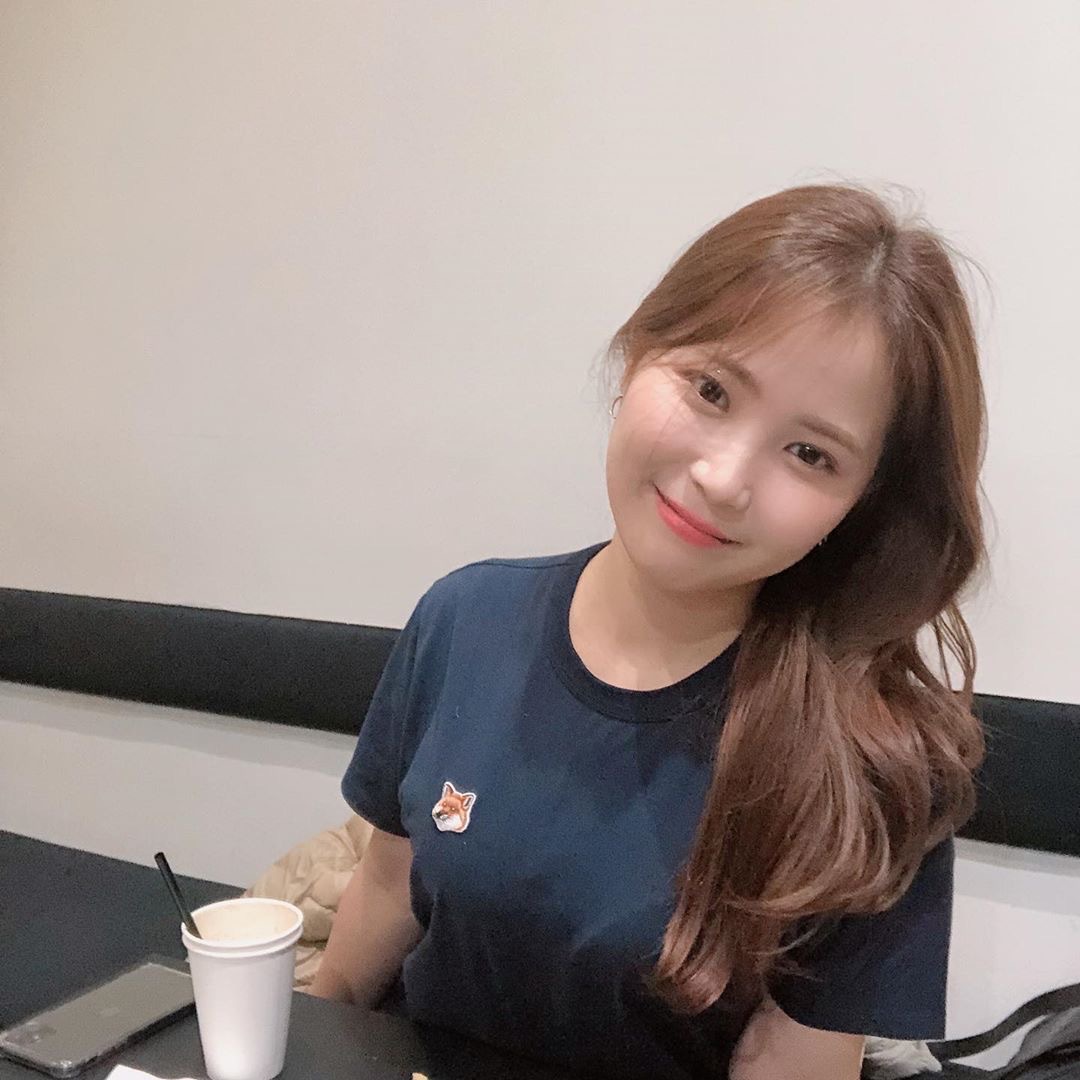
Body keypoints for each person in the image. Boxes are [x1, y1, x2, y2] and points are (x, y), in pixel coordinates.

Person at [310, 183, 989, 1080]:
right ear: (638, 352)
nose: (723, 478)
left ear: (861, 505)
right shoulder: (463, 617)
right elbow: (388, 889)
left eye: (810, 453)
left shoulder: (877, 758)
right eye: (711, 389)